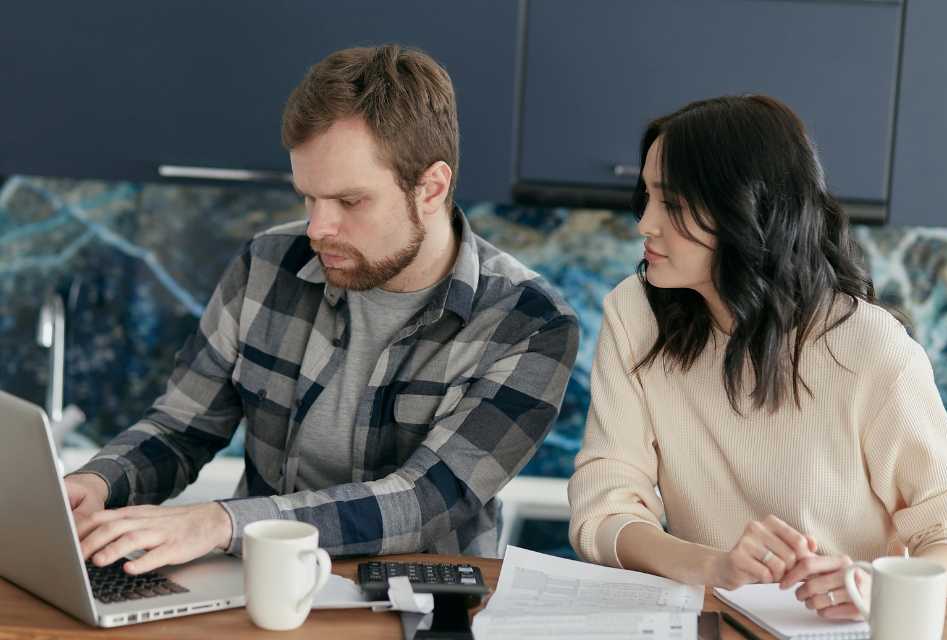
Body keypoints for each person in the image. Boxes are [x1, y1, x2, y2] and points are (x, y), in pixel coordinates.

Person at [66, 44, 579, 574]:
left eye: (349, 202)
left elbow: (426, 501)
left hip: (417, 608)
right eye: (308, 197)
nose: (317, 229)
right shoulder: (268, 262)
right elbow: (183, 427)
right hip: (259, 590)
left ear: (432, 187)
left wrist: (221, 523)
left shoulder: (530, 322)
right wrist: (100, 481)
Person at [568, 95, 947, 620]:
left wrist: (876, 584)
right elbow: (603, 511)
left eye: (674, 205)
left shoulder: (870, 346)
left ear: (746, 211)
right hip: (707, 623)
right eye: (647, 198)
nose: (645, 224)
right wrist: (714, 567)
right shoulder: (634, 314)